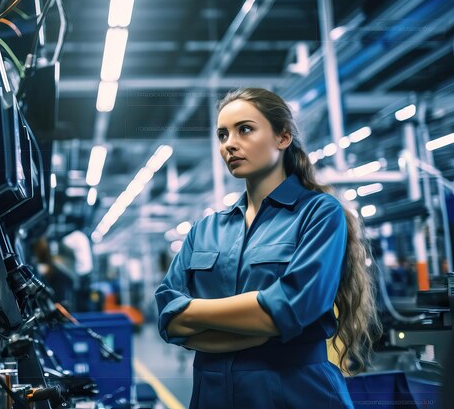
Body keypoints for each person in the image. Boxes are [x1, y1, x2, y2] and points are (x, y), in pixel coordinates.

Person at [155, 88, 382, 409]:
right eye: (222, 135)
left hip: (297, 393)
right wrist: (256, 329)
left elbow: (289, 308)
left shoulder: (319, 213)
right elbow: (167, 316)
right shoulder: (205, 229)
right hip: (213, 396)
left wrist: (196, 316)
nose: (229, 143)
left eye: (244, 129)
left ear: (283, 137)